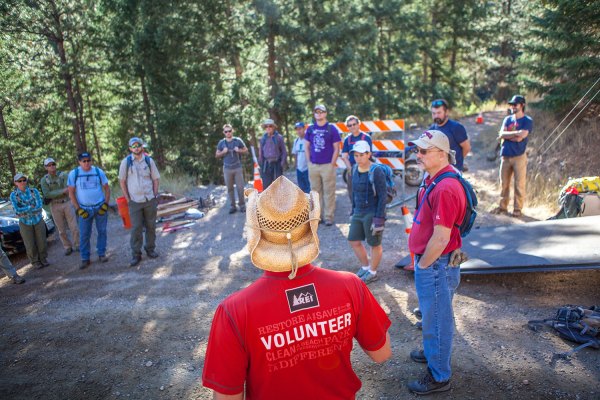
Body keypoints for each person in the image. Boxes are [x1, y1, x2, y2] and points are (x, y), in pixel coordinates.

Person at [202, 176, 391, 399]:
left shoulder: (234, 311)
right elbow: (382, 353)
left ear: (258, 232)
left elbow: (226, 397)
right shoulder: (350, 286)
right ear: (310, 226)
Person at [406, 130, 466, 395]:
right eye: (417, 150)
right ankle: (434, 354)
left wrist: (423, 265)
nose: (417, 155)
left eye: (423, 151)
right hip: (435, 263)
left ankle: (439, 375)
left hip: (435, 264)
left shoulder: (445, 187)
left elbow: (441, 238)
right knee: (434, 316)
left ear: (441, 154)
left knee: (437, 320)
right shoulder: (435, 177)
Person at [119, 137, 161, 267]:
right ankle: (136, 254)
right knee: (136, 228)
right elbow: (122, 181)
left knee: (151, 226)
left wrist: (154, 195)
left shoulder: (149, 161)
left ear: (142, 147)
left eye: (138, 145)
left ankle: (150, 249)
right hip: (135, 201)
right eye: (133, 146)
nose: (136, 148)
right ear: (130, 148)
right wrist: (127, 199)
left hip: (149, 199)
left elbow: (155, 179)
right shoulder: (126, 163)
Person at [348, 141, 386, 284]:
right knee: (353, 239)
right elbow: (352, 191)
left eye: (362, 155)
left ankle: (373, 272)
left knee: (374, 243)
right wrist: (352, 209)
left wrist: (379, 218)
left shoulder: (376, 171)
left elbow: (382, 196)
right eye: (356, 155)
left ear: (369, 154)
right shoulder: (353, 169)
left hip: (372, 212)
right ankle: (365, 266)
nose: (358, 158)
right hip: (358, 211)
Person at [492, 95, 533, 218]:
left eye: (515, 105)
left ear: (522, 105)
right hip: (505, 156)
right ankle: (502, 207)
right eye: (511, 105)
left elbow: (523, 135)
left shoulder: (527, 120)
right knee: (503, 183)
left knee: (519, 184)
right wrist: (515, 134)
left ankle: (517, 209)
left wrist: (508, 135)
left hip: (519, 156)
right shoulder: (508, 119)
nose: (513, 107)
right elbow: (501, 134)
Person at [67, 152, 111, 269]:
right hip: (84, 209)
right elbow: (71, 192)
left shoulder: (98, 172)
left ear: (91, 161)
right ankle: (85, 258)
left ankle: (101, 253)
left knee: (102, 231)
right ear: (79, 162)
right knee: (84, 234)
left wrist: (105, 204)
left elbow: (107, 188)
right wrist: (78, 209)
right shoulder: (74, 174)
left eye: (88, 160)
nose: (86, 163)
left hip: (99, 207)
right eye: (84, 161)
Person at [305, 104, 342, 226]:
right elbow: (307, 146)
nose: (319, 114)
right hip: (314, 166)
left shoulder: (331, 129)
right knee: (315, 192)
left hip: (327, 165)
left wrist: (332, 163)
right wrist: (309, 162)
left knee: (329, 191)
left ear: (325, 113)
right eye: (317, 112)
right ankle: (317, 216)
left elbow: (337, 148)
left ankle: (328, 217)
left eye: (321, 111)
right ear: (314, 114)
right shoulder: (310, 129)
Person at [40, 157, 79, 256]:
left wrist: (56, 192)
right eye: (49, 165)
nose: (52, 166)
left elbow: (68, 188)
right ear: (46, 167)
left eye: (53, 164)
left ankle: (77, 245)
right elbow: (47, 194)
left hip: (67, 202)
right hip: (55, 205)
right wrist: (61, 191)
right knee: (61, 229)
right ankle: (67, 247)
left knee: (74, 226)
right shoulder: (44, 180)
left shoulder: (63, 175)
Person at [9, 173, 49, 270]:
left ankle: (43, 259)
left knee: (42, 241)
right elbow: (17, 210)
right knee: (30, 244)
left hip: (38, 220)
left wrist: (25, 209)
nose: (22, 182)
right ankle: (35, 262)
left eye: (24, 180)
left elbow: (39, 206)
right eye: (20, 181)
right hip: (24, 222)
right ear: (15, 183)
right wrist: (30, 207)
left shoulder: (34, 191)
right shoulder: (14, 195)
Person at [429, 99, 471, 172]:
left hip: (453, 170)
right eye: (434, 113)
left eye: (439, 113)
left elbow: (466, 147)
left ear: (446, 112)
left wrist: (458, 161)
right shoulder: (432, 129)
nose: (436, 116)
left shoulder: (456, 127)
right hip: (438, 170)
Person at [215, 124, 248, 214]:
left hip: (237, 168)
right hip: (227, 169)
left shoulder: (237, 140)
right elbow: (217, 155)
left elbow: (246, 150)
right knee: (229, 188)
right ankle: (232, 206)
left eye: (229, 131)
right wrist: (223, 152)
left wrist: (239, 150)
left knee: (240, 187)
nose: (228, 133)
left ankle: (242, 205)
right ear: (224, 132)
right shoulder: (221, 143)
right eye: (226, 131)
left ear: (232, 131)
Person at [341, 115, 373, 200]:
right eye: (350, 125)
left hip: (365, 169)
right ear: (347, 127)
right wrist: (350, 169)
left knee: (366, 192)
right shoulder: (347, 139)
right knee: (352, 193)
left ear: (358, 124)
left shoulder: (366, 138)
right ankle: (354, 211)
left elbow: (369, 155)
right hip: (352, 168)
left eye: (354, 124)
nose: (352, 127)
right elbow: (344, 156)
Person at [258, 118, 287, 189]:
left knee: (278, 185)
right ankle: (268, 200)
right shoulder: (263, 139)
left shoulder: (279, 137)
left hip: (277, 163)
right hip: (266, 164)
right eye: (266, 126)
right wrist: (261, 165)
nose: (268, 128)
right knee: (266, 185)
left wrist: (282, 163)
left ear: (273, 127)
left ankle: (279, 200)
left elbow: (284, 151)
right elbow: (260, 152)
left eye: (270, 126)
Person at [291, 121, 310, 193]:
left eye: (300, 129)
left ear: (304, 129)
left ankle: (310, 203)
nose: (298, 131)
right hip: (299, 168)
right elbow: (295, 153)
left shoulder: (308, 140)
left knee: (308, 187)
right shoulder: (296, 141)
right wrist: (295, 165)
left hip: (307, 168)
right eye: (297, 129)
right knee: (301, 188)